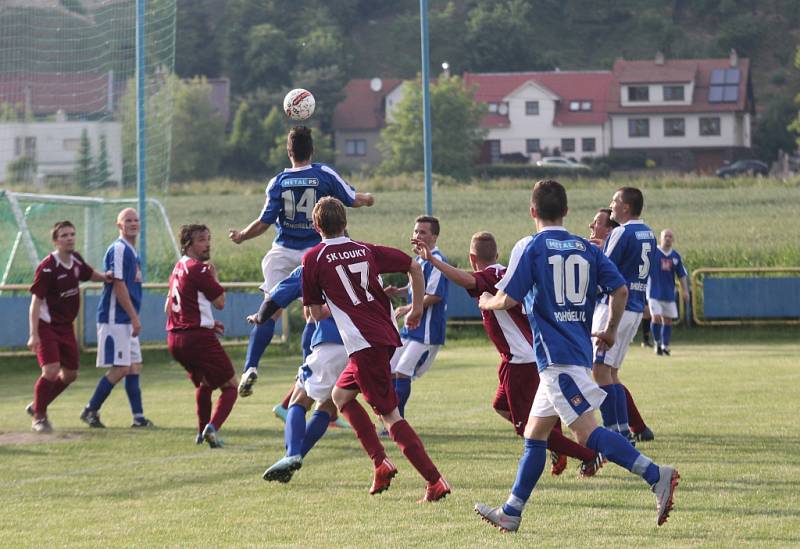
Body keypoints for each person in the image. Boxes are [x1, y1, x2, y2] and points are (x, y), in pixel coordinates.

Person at [473, 180, 679, 532]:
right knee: (535, 435)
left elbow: (509, 298)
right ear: (566, 211)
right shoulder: (587, 248)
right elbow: (620, 288)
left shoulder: (531, 246)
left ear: (532, 211)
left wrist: (487, 301)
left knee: (586, 434)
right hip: (574, 352)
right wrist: (612, 328)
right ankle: (511, 510)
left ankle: (656, 474)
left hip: (557, 358)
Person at [413, 231, 603, 477]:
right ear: (497, 254)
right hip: (520, 358)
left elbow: (467, 281)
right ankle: (558, 445)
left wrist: (434, 261)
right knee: (501, 405)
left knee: (527, 427)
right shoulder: (508, 271)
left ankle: (589, 455)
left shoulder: (490, 276)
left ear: (472, 258)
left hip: (521, 361)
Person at [301, 197, 450, 502]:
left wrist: (335, 306)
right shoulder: (365, 249)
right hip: (383, 334)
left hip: (364, 343)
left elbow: (315, 315)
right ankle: (380, 463)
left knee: (390, 416)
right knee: (340, 396)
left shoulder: (313, 258)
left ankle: (434, 481)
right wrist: (417, 308)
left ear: (316, 226)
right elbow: (413, 266)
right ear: (345, 223)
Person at [228, 126, 374, 400]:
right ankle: (304, 376)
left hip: (282, 253)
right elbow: (353, 200)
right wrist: (367, 199)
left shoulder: (278, 181)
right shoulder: (323, 174)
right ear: (313, 150)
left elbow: (263, 223)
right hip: (316, 252)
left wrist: (241, 236)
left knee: (270, 311)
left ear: (289, 152)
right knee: (315, 314)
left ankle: (250, 366)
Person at [259, 266, 349, 482]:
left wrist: (260, 316)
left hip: (329, 342)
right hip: (358, 346)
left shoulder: (312, 263)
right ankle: (291, 461)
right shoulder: (362, 257)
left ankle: (291, 455)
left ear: (318, 229)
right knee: (326, 406)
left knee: (297, 401)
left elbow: (277, 295)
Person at [25, 221, 111, 433]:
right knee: (51, 371)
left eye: (72, 234)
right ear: (56, 241)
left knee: (70, 375)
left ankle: (38, 404)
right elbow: (35, 302)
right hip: (47, 327)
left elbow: (89, 274)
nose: (70, 238)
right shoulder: (47, 267)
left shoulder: (76, 260)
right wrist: (33, 334)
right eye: (64, 235)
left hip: (65, 327)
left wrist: (106, 277)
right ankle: (39, 417)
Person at [591, 188, 657, 442]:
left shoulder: (620, 231)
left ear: (626, 207)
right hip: (636, 307)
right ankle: (623, 430)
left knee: (599, 370)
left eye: (615, 201)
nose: (612, 205)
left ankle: (615, 431)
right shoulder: (648, 233)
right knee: (611, 372)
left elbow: (603, 267)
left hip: (614, 308)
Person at [166, 225, 238, 448]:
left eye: (208, 239)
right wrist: (214, 278)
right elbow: (220, 302)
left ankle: (200, 433)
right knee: (231, 386)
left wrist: (205, 321)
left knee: (206, 383)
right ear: (188, 245)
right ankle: (211, 429)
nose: (207, 244)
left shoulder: (178, 268)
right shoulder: (199, 269)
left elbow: (168, 306)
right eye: (201, 240)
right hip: (196, 338)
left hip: (175, 338)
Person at [81, 208, 153, 428]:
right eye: (127, 220)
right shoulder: (119, 249)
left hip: (125, 318)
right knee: (121, 367)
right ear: (119, 225)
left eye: (135, 220)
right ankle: (90, 409)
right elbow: (119, 285)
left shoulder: (131, 250)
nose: (132, 223)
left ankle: (138, 418)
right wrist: (134, 317)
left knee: (134, 366)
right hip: (116, 317)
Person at [386, 216, 448, 418]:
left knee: (403, 371)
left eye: (423, 232)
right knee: (391, 369)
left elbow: (435, 295)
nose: (417, 235)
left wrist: (407, 307)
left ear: (434, 237)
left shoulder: (437, 260)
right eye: (415, 231)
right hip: (411, 328)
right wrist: (399, 291)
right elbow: (416, 290)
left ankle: (397, 420)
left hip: (427, 330)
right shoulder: (418, 260)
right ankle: (393, 418)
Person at [648, 229, 690, 356]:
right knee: (656, 317)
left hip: (669, 294)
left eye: (670, 236)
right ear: (660, 238)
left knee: (668, 320)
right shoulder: (653, 252)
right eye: (665, 236)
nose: (668, 238)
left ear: (673, 240)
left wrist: (685, 291)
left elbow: (682, 275)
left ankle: (665, 346)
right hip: (653, 292)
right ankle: (657, 342)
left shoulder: (675, 256)